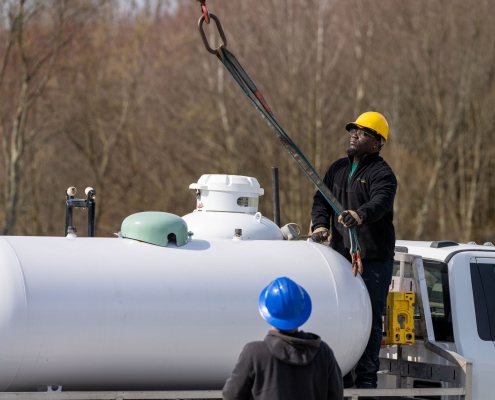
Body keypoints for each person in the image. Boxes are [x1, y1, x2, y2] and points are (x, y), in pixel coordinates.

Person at [310, 111, 397, 391]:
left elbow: (381, 201)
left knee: (369, 319)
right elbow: (321, 200)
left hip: (372, 260)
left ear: (377, 142)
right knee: (341, 315)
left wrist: (359, 215)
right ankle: (343, 375)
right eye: (353, 130)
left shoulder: (382, 174)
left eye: (362, 132)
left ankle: (367, 380)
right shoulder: (336, 168)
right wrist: (320, 226)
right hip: (340, 257)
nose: (354, 134)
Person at [222, 277, 343, 400]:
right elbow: (336, 395)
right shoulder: (322, 352)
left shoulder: (254, 353)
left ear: (268, 310)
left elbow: (231, 395)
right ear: (302, 310)